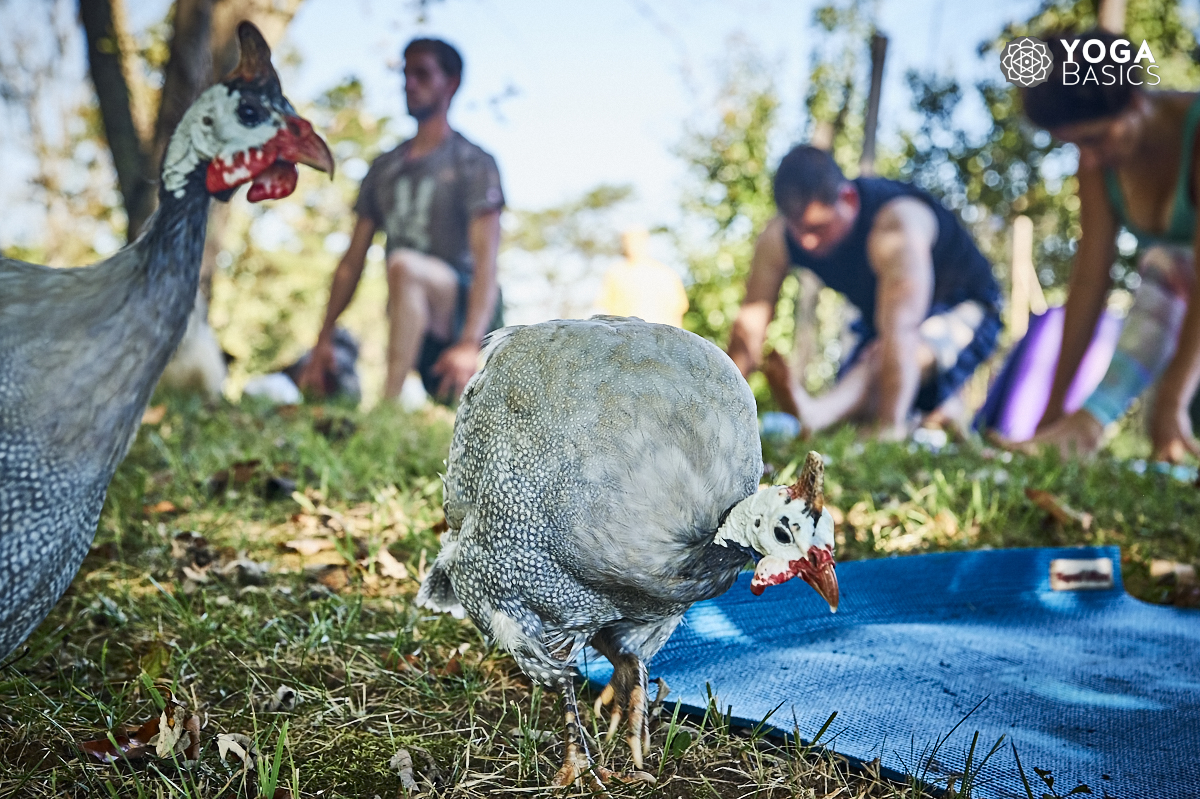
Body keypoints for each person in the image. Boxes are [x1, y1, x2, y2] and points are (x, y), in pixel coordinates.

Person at [727, 145, 1003, 440]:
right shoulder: (778, 238)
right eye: (798, 230)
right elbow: (749, 328)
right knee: (853, 406)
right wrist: (723, 409)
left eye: (818, 229)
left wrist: (888, 428)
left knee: (882, 367)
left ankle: (817, 414)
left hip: (968, 308)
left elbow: (902, 331)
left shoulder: (896, 224)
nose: (807, 242)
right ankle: (941, 413)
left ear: (847, 198)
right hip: (883, 327)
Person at [1016, 31, 1200, 462]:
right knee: (1164, 264)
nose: (1090, 158)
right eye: (1075, 144)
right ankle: (1082, 429)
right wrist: (1052, 413)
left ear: (1135, 101)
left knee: (1166, 263)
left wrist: (1171, 400)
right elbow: (1088, 283)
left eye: (1094, 139)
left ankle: (1091, 424)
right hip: (1183, 299)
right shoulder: (1097, 162)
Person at [298, 38, 504, 404]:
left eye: (422, 74)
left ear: (451, 83)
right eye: (406, 74)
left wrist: (470, 343)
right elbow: (351, 263)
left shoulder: (474, 163)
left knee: (404, 265)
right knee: (402, 269)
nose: (409, 84)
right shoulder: (384, 168)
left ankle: (388, 406)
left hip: (464, 316)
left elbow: (486, 265)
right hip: (408, 315)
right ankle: (398, 395)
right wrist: (323, 338)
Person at [595, 226, 689, 327]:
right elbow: (605, 308)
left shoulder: (666, 274)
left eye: (636, 241)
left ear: (645, 242)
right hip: (625, 333)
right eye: (628, 241)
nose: (632, 245)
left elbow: (677, 311)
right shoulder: (615, 272)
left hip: (659, 333)